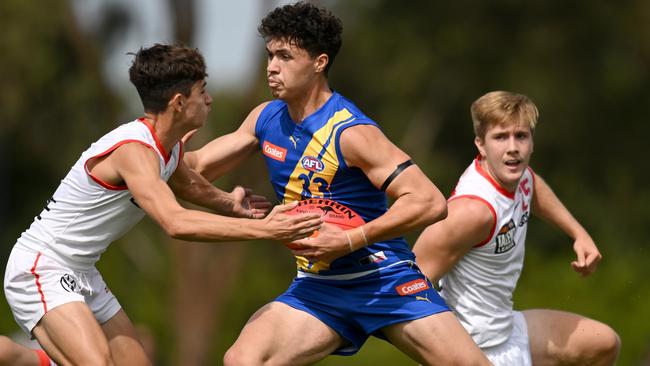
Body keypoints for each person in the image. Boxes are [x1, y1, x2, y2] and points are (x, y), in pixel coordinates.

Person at [186, 3, 491, 365]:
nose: (271, 67)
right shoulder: (265, 118)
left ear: (319, 62)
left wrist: (348, 239)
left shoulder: (352, 132)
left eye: (285, 56)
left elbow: (429, 202)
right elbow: (196, 166)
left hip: (385, 278)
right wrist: (148, 144)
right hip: (320, 288)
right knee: (243, 360)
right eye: (270, 55)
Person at [3, 43, 322, 366]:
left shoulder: (166, 148)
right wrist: (264, 229)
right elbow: (176, 222)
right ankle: (21, 358)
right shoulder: (135, 152)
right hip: (40, 267)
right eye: (203, 91)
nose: (209, 99)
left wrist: (230, 203)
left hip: (81, 271)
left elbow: (188, 184)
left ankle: (22, 358)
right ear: (180, 103)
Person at [413, 91, 621, 365]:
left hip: (507, 329)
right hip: (473, 348)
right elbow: (408, 283)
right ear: (481, 145)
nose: (513, 147)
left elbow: (533, 187)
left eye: (521, 136)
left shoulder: (518, 176)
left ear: (532, 142)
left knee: (603, 344)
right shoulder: (472, 211)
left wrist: (578, 233)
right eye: (500, 137)